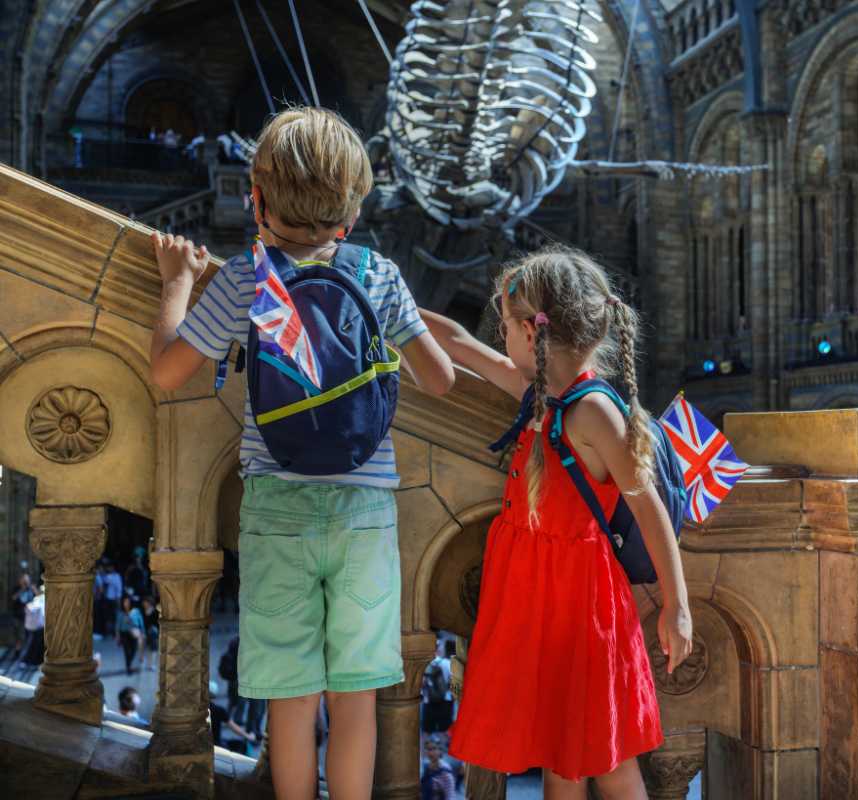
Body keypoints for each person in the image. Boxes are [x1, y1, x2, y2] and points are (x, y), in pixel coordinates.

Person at [147, 106, 455, 800]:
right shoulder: (378, 275)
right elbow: (441, 379)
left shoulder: (245, 280)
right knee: (354, 698)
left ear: (256, 198)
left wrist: (175, 284)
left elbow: (168, 370)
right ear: (351, 208)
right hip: (366, 510)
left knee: (291, 697)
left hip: (277, 506)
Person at [421, 247, 694, 797]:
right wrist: (388, 300)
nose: (499, 337)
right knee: (558, 757)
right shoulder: (545, 395)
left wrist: (678, 605)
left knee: (608, 762)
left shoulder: (592, 410)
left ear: (530, 331)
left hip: (581, 607)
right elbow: (461, 347)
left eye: (505, 325)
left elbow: (647, 504)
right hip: (539, 603)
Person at [421, 639, 454, 736]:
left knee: (428, 731)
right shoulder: (447, 663)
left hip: (429, 701)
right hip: (446, 700)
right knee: (445, 730)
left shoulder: (423, 664)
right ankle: (443, 749)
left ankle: (430, 748)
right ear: (438, 649)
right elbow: (454, 681)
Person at [115, 595, 145, 675]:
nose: (126, 604)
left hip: (134, 633)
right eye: (125, 602)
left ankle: (129, 665)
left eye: (128, 602)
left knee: (134, 650)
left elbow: (140, 622)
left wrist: (142, 632)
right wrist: (117, 636)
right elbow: (117, 626)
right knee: (127, 651)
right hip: (124, 634)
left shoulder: (136, 611)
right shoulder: (120, 613)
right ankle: (128, 667)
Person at [420, 734, 455, 800]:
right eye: (429, 749)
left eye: (434, 749)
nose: (431, 752)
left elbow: (450, 796)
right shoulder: (425, 767)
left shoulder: (445, 773)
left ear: (440, 751)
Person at [19, 584, 45, 666]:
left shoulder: (41, 599)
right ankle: (28, 661)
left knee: (36, 645)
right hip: (37, 626)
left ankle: (35, 661)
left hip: (39, 626)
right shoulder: (38, 599)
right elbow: (31, 608)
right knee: (32, 645)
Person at [9, 573, 33, 650]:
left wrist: (33, 589)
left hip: (29, 616)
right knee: (18, 635)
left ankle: (26, 651)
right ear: (20, 581)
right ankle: (18, 650)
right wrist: (21, 589)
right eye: (24, 580)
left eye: (27, 580)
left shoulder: (31, 589)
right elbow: (13, 598)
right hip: (18, 615)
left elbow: (38, 597)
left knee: (28, 634)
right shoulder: (16, 588)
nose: (25, 582)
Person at [101, 561, 123, 636]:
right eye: (107, 567)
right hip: (107, 598)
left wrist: (118, 599)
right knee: (107, 616)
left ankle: (115, 633)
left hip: (114, 599)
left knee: (115, 616)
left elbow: (119, 588)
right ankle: (108, 632)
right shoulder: (106, 576)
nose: (108, 568)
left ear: (113, 567)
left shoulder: (117, 576)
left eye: (109, 567)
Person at [141, 595, 160, 670]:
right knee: (147, 648)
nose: (144, 604)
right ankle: (147, 663)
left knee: (153, 648)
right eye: (144, 602)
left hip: (153, 633)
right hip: (145, 632)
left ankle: (152, 664)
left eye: (146, 602)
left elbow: (157, 623)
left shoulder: (155, 612)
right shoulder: (142, 611)